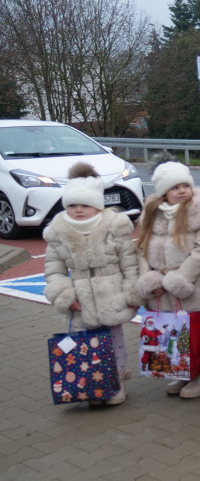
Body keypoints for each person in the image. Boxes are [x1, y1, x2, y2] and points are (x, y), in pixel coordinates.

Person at [43, 163, 139, 406]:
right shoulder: (58, 231)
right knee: (85, 343)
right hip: (80, 299)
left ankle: (117, 381)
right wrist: (64, 294)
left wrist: (132, 294)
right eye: (73, 205)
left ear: (97, 205)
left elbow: (130, 264)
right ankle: (94, 383)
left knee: (114, 341)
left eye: (85, 205)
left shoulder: (114, 226)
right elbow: (53, 270)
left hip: (112, 295)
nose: (78, 210)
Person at [135, 161, 200, 398]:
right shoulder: (152, 214)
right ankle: (181, 371)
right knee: (171, 329)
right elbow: (142, 248)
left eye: (186, 185)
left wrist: (179, 280)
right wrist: (150, 279)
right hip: (160, 286)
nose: (182, 190)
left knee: (195, 328)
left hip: (189, 283)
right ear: (164, 193)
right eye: (175, 187)